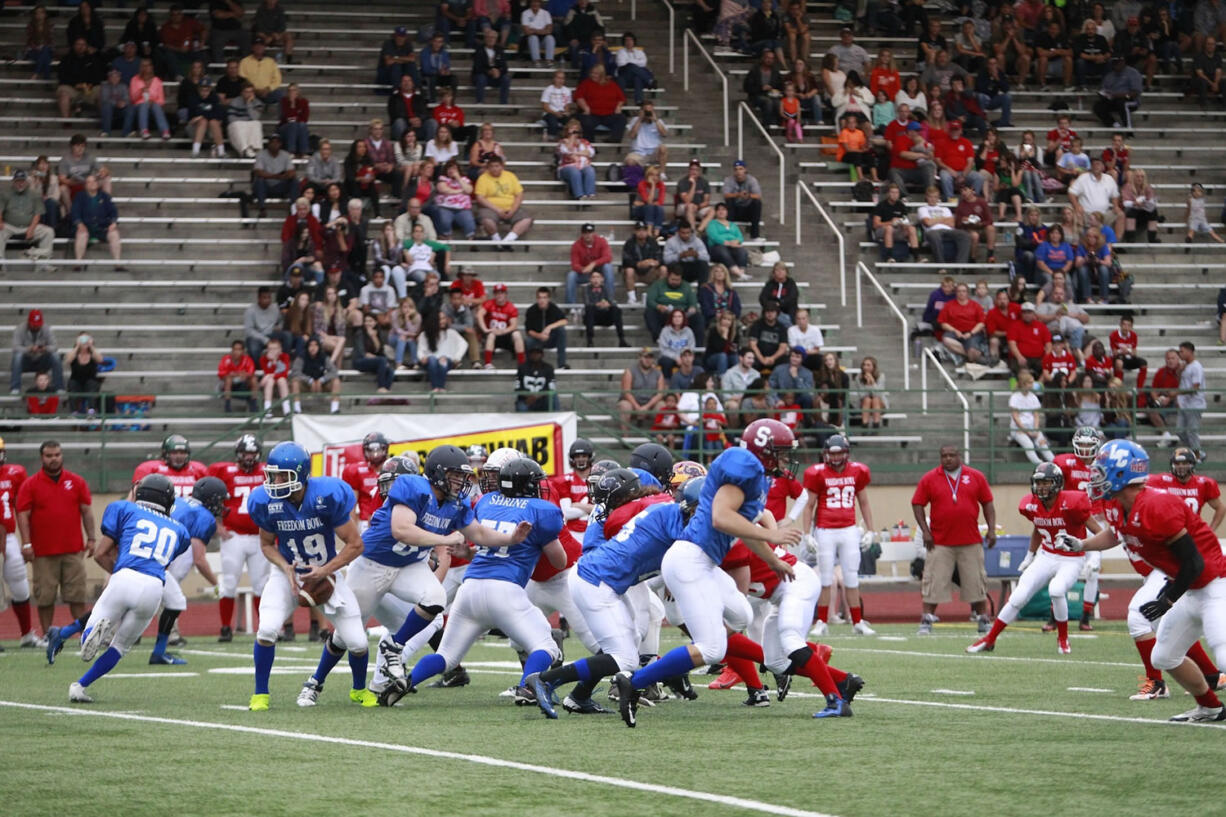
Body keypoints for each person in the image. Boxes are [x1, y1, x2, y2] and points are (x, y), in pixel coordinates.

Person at [611, 421, 819, 726]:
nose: (786, 460)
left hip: (704, 562)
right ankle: (636, 681)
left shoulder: (753, 475)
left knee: (742, 616)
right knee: (711, 647)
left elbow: (741, 529)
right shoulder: (744, 467)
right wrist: (772, 537)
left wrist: (772, 559)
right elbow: (722, 518)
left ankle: (757, 672)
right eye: (782, 453)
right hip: (690, 559)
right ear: (766, 451)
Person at [1058, 441, 1226, 722]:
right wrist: (1081, 545)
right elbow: (1116, 534)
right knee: (1164, 657)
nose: (1095, 476)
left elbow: (1194, 563)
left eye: (1102, 471)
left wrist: (1167, 599)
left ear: (1122, 474)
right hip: (1189, 588)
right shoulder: (1116, 503)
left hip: (1214, 584)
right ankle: (1210, 707)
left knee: (1222, 654)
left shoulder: (1156, 506)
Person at [384, 457, 561, 714]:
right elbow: (559, 560)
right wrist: (544, 540)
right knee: (547, 647)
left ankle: (408, 681)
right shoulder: (542, 510)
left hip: (470, 588)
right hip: (506, 591)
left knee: (446, 657)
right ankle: (527, 687)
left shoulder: (486, 502)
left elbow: (478, 544)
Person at [244, 442, 373, 710]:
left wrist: (326, 571)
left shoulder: (325, 496)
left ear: (301, 475)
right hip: (288, 573)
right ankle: (260, 694)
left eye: (282, 476)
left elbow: (356, 544)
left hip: (324, 573)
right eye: (273, 474)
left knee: (358, 642)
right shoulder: (266, 502)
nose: (275, 481)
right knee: (267, 629)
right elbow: (267, 545)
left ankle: (359, 690)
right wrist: (284, 566)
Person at [61, 474, 189, 702]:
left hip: (125, 576)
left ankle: (91, 633)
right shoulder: (180, 530)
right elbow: (166, 561)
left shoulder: (123, 508)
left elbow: (108, 545)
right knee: (120, 647)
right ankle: (80, 686)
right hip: (153, 587)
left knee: (96, 624)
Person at [911, 444, 996, 635]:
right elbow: (917, 504)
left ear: (959, 456)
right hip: (940, 541)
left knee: (976, 581)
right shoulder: (930, 478)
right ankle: (926, 619)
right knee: (933, 580)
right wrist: (925, 531)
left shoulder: (975, 476)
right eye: (944, 456)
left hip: (970, 540)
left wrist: (991, 530)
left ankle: (982, 617)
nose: (948, 459)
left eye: (951, 455)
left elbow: (988, 504)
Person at [16, 440, 95, 639]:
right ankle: (47, 636)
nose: (54, 459)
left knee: (77, 596)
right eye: (49, 456)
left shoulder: (76, 481)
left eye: (57, 455)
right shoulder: (30, 484)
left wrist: (92, 538)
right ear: (42, 458)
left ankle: (84, 636)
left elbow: (86, 511)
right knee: (45, 597)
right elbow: (23, 515)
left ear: (62, 456)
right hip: (43, 552)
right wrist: (26, 543)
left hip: (73, 550)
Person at [1149, 449, 1226, 531]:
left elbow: (1220, 508)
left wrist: (1211, 530)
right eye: (1177, 463)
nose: (1181, 466)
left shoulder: (1203, 484)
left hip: (1192, 532)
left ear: (1192, 464)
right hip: (1169, 532)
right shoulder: (1162, 480)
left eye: (1185, 463)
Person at [0, 170, 54, 266]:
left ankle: (36, 257)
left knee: (48, 232)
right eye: (18, 181)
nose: (20, 184)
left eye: (22, 181)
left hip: (29, 225)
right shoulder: (5, 194)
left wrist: (32, 228)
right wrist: (0, 222)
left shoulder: (35, 194)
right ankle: (0, 264)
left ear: (26, 182)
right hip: (10, 225)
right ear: (13, 181)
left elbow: (38, 214)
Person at [473, 156, 532, 244]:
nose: (494, 169)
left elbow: (519, 194)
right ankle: (496, 239)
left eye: (497, 166)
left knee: (526, 220)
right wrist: (498, 210)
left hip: (510, 207)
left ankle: (508, 240)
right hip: (491, 209)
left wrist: (512, 210)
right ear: (488, 168)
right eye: (492, 166)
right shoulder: (483, 178)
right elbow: (480, 198)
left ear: (502, 166)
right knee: (486, 220)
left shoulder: (510, 176)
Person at [71, 174, 123, 269]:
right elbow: (75, 212)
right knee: (81, 233)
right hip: (86, 226)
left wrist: (113, 223)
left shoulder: (105, 196)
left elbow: (113, 211)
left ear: (98, 183)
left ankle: (117, 264)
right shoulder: (80, 196)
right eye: (89, 182)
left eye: (94, 181)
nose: (92, 184)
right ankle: (78, 263)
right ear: (85, 185)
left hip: (102, 227)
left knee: (114, 234)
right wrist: (79, 224)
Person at [1009, 371, 1055, 464]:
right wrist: (1027, 431)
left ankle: (1056, 463)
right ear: (1024, 384)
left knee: (1042, 443)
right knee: (1029, 445)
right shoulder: (1014, 397)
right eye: (1030, 382)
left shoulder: (1033, 397)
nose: (1032, 384)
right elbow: (1015, 417)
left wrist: (1036, 429)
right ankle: (1040, 464)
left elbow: (1036, 415)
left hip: (1032, 426)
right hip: (1018, 428)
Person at [417, 312, 469, 393]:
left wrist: (457, 358)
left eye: (444, 318)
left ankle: (439, 388)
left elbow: (463, 344)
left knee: (442, 360)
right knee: (433, 360)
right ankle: (437, 388)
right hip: (429, 361)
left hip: (446, 360)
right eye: (440, 319)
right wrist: (422, 357)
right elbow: (420, 350)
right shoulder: (424, 334)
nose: (443, 321)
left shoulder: (451, 332)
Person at [917, 186, 971, 263]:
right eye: (931, 197)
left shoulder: (945, 209)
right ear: (926, 197)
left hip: (948, 231)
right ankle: (941, 265)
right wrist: (943, 219)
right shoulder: (922, 209)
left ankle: (960, 265)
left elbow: (952, 224)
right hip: (932, 231)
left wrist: (934, 220)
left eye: (935, 197)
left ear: (938, 197)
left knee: (965, 235)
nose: (933, 199)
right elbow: (928, 223)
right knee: (934, 235)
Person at [938, 282, 988, 363]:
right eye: (959, 291)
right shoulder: (948, 305)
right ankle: (973, 355)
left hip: (972, 332)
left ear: (967, 293)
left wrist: (971, 333)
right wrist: (955, 330)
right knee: (946, 339)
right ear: (956, 293)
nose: (961, 293)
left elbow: (981, 323)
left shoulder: (975, 305)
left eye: (964, 291)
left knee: (972, 349)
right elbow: (943, 323)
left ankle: (972, 355)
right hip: (954, 332)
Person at [574, 64, 626, 142]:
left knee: (621, 118)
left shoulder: (611, 84)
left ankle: (614, 139)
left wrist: (618, 106)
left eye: (596, 73)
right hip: (592, 114)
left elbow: (621, 98)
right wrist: (585, 107)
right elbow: (578, 97)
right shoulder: (586, 83)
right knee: (586, 121)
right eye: (592, 73)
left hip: (609, 114)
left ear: (602, 75)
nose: (593, 75)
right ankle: (590, 145)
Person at [478, 283, 525, 369]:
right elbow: (480, 314)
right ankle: (488, 363)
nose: (499, 295)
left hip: (505, 335)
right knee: (491, 335)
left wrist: (502, 331)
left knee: (517, 334)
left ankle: (521, 364)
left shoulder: (510, 307)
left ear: (506, 294)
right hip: (492, 335)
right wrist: (485, 329)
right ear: (494, 294)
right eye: (497, 293)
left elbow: (514, 325)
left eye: (501, 293)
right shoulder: (489, 304)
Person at [618, 348, 666, 429]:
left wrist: (647, 407)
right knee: (624, 406)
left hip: (650, 404)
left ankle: (659, 437)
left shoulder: (658, 373)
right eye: (645, 357)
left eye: (650, 357)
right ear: (640, 357)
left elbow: (660, 394)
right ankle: (625, 438)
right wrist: (637, 407)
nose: (648, 360)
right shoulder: (629, 371)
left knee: (662, 406)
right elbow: (626, 392)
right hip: (633, 403)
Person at [871, 181, 918, 261]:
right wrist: (890, 222)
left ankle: (916, 257)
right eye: (892, 192)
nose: (895, 195)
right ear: (888, 193)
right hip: (882, 229)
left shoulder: (901, 206)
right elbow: (875, 224)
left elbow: (905, 219)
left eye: (896, 192)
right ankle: (889, 256)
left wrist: (904, 224)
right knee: (889, 228)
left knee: (912, 229)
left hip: (898, 229)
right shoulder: (881, 205)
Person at [524, 287, 568, 369]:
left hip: (551, 339)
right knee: (528, 341)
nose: (542, 300)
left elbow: (564, 321)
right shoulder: (531, 310)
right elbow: (529, 331)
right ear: (537, 299)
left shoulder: (553, 308)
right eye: (540, 298)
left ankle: (562, 364)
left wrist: (550, 327)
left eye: (544, 298)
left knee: (561, 331)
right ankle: (529, 367)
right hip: (537, 339)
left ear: (548, 299)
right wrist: (540, 336)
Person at [1177, 342, 1207, 461]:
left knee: (1192, 431)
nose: (1180, 354)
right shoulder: (1185, 366)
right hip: (1184, 404)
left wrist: (1177, 393)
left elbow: (1195, 387)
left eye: (1182, 351)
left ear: (1190, 351)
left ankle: (1197, 456)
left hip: (1195, 404)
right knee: (1180, 431)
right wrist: (1179, 372)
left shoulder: (1196, 366)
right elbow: (1181, 382)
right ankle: (1196, 451)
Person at [1093, 56, 1142, 128]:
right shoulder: (1109, 75)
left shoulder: (1133, 73)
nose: (1116, 65)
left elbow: (1135, 92)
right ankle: (1114, 125)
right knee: (1098, 106)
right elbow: (1104, 89)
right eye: (1114, 63)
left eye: (1117, 63)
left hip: (1129, 99)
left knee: (1122, 103)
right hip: (1113, 99)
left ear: (1123, 62)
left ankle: (1128, 129)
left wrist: (1119, 95)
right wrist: (1102, 94)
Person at [582, 269, 627, 347]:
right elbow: (587, 302)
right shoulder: (586, 289)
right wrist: (598, 304)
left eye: (598, 277)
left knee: (616, 310)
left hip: (605, 315)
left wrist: (608, 304)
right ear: (590, 279)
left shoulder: (605, 288)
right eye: (593, 277)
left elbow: (611, 301)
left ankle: (622, 339)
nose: (596, 280)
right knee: (589, 309)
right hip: (593, 316)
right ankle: (590, 340)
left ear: (602, 279)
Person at [953, 183, 997, 262]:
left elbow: (990, 220)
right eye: (961, 191)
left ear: (972, 190)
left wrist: (981, 224)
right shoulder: (961, 205)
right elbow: (957, 224)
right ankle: (972, 258)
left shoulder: (982, 202)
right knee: (974, 235)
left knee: (991, 228)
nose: (963, 193)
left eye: (965, 190)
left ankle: (990, 254)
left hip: (981, 228)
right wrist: (963, 221)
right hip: (968, 229)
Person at [663, 221, 711, 287]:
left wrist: (697, 255)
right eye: (683, 233)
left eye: (688, 233)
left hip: (693, 267)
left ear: (691, 232)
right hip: (679, 267)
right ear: (678, 232)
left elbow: (707, 258)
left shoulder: (697, 241)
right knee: (674, 266)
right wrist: (679, 256)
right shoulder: (671, 242)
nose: (686, 235)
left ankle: (702, 291)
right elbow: (666, 260)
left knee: (704, 265)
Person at [64, 333, 102, 415]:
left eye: (86, 338)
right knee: (72, 384)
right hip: (76, 381)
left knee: (92, 384)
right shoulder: (73, 354)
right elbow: (68, 360)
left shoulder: (93, 354)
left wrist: (91, 346)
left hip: (90, 382)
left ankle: (91, 410)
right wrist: (77, 346)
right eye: (82, 339)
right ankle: (74, 412)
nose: (84, 341)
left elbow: (100, 360)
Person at [472, 27, 511, 104]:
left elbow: (505, 67)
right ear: (485, 38)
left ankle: (503, 104)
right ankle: (480, 103)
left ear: (496, 39)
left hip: (496, 77)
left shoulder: (500, 50)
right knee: (481, 78)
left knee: (506, 79)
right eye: (489, 37)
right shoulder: (479, 50)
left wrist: (498, 71)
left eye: (493, 37)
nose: (491, 39)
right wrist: (490, 71)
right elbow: (477, 67)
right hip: (483, 76)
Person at [627, 100, 668, 168]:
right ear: (641, 111)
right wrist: (640, 120)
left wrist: (655, 120)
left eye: (650, 110)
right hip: (639, 151)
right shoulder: (635, 120)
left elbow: (664, 134)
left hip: (654, 151)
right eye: (646, 111)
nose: (648, 113)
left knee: (663, 148)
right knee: (630, 161)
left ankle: (662, 173)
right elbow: (632, 135)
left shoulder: (658, 121)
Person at [515, 346, 557, 412]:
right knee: (522, 407)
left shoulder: (548, 368)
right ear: (529, 354)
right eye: (532, 353)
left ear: (542, 355)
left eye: (537, 353)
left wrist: (536, 396)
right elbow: (517, 388)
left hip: (543, 399)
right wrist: (528, 396)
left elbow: (551, 388)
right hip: (526, 400)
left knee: (554, 396)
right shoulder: (522, 367)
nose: (535, 355)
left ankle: (556, 419)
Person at [616, 32, 654, 104]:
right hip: (625, 75)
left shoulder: (639, 52)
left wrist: (629, 61)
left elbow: (643, 63)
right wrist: (634, 62)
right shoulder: (621, 52)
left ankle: (639, 100)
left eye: (630, 40)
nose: (629, 42)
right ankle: (649, 80)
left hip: (635, 75)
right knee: (631, 66)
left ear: (634, 41)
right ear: (624, 42)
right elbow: (621, 64)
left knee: (637, 77)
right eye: (626, 40)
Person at [520, 0, 555, 65]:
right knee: (533, 37)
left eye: (537, 2)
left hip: (542, 40)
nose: (535, 4)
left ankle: (549, 60)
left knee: (550, 38)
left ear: (540, 3)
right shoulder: (525, 13)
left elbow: (549, 30)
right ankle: (536, 61)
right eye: (533, 2)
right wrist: (543, 30)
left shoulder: (546, 13)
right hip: (529, 41)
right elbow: (527, 32)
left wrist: (534, 30)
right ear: (530, 3)